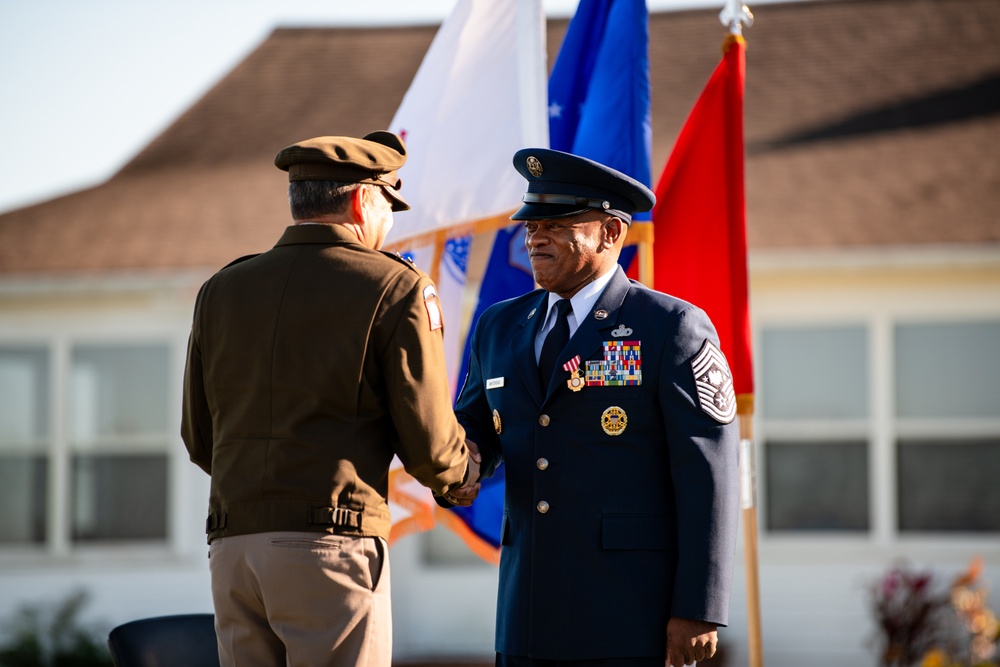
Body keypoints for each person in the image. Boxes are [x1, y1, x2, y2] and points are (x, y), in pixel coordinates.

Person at [181, 131, 480, 667]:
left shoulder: (221, 289)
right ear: (363, 200)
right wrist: (461, 476)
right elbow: (430, 441)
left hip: (233, 546)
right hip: (331, 542)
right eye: (389, 204)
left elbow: (200, 439)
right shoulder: (395, 287)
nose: (389, 221)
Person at [452, 148, 740, 667]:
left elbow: (709, 475)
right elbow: (477, 428)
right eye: (531, 223)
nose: (535, 237)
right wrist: (454, 464)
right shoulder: (499, 324)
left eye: (557, 223)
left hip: (629, 614)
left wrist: (699, 607)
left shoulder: (670, 327)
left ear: (611, 232)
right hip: (527, 614)